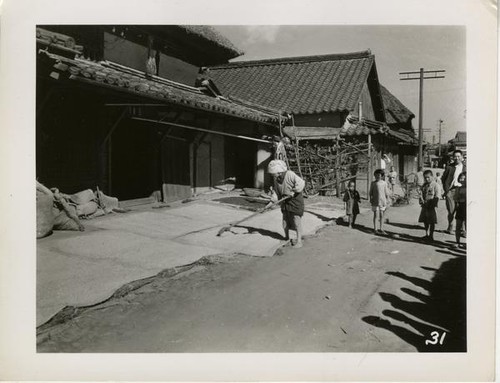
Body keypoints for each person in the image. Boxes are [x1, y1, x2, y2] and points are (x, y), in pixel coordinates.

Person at [268, 159, 305, 248]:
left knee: (296, 221)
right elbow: (276, 193)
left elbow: (301, 183)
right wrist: (271, 203)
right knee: (285, 222)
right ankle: (286, 238)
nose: (272, 175)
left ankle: (299, 241)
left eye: (273, 173)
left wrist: (294, 191)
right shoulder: (277, 180)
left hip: (295, 201)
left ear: (279, 171)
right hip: (285, 202)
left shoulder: (290, 174)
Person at [441, 150, 466, 233]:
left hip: (462, 192)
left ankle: (462, 230)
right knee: (451, 211)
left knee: (462, 210)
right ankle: (450, 227)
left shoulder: (466, 167)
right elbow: (443, 178)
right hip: (451, 191)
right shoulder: (449, 167)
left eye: (459, 156)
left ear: (462, 157)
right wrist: (446, 190)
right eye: (455, 156)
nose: (457, 158)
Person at [418, 170, 440, 241]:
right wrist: (421, 200)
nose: (427, 179)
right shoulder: (424, 185)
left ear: (432, 177)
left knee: (432, 221)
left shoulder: (436, 185)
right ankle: (426, 234)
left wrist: (433, 204)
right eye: (425, 178)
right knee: (425, 220)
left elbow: (437, 196)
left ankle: (431, 236)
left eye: (428, 177)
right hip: (425, 205)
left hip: (431, 206)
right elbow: (421, 194)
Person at [369, 169, 391, 235]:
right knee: (376, 215)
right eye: (376, 175)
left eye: (379, 175)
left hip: (382, 201)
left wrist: (388, 199)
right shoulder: (373, 183)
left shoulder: (384, 183)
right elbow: (371, 192)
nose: (377, 176)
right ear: (374, 175)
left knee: (382, 215)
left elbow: (386, 192)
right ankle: (375, 229)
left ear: (381, 176)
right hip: (375, 201)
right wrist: (371, 199)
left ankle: (381, 229)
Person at [454, 172, 467, 248]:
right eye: (460, 178)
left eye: (464, 178)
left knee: (467, 226)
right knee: (458, 226)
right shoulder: (458, 188)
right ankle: (457, 242)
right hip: (460, 207)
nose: (462, 180)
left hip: (467, 208)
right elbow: (455, 198)